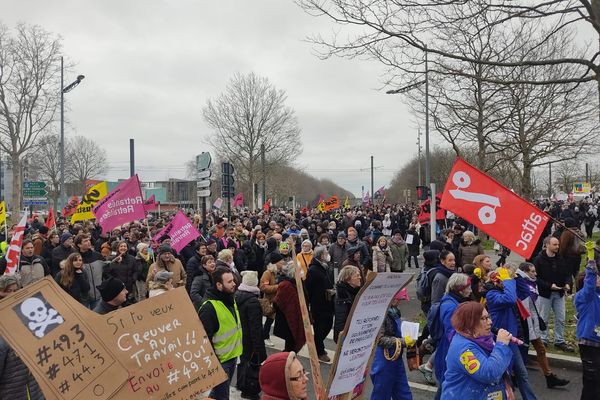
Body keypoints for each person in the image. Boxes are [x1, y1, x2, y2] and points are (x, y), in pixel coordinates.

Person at [441, 302, 514, 400]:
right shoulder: (462, 349)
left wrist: (507, 388)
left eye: (488, 317)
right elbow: (489, 374)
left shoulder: (484, 339)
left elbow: (499, 367)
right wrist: (501, 345)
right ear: (469, 322)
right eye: (483, 319)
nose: (490, 322)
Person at [485, 266, 537, 400]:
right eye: (503, 280)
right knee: (503, 376)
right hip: (501, 341)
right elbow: (510, 299)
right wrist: (508, 280)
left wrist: (516, 276)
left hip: (512, 339)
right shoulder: (492, 294)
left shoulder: (508, 290)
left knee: (522, 374)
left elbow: (525, 292)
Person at [516, 262, 569, 388]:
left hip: (532, 324)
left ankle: (549, 377)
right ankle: (517, 377)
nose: (535, 274)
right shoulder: (519, 282)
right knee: (522, 353)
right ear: (524, 271)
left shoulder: (532, 282)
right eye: (532, 271)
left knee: (541, 349)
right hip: (523, 325)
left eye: (535, 271)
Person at [198, 266, 242, 400]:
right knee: (223, 396)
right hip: (221, 362)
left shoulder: (230, 298)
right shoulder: (209, 308)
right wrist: (214, 364)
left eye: (233, 280)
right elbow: (204, 339)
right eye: (229, 282)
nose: (234, 283)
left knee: (218, 393)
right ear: (218, 285)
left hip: (232, 356)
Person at [0, 275, 44, 400]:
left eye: (16, 290)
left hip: (37, 391)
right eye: (7, 291)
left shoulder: (31, 320)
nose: (13, 295)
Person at [433, 273, 472, 398]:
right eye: (469, 287)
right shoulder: (450, 306)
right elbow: (452, 333)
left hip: (450, 349)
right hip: (448, 351)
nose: (471, 290)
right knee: (447, 385)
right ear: (460, 289)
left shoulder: (455, 301)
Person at [370, 289, 414, 400]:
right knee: (381, 394)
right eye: (400, 299)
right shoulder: (379, 313)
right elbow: (379, 339)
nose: (400, 302)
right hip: (383, 360)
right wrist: (402, 341)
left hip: (396, 357)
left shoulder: (394, 311)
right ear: (393, 299)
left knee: (403, 392)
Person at [533, 236, 574, 351]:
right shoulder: (538, 260)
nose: (557, 247)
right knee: (544, 318)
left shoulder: (561, 259)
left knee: (561, 318)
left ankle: (559, 340)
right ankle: (543, 339)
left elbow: (567, 274)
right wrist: (549, 286)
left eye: (558, 244)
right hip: (545, 294)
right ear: (547, 245)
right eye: (555, 244)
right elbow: (536, 278)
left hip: (559, 293)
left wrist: (567, 284)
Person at [235, 270, 267, 399]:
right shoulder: (253, 301)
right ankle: (249, 390)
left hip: (240, 336)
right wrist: (258, 348)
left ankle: (242, 385)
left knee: (243, 363)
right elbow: (256, 328)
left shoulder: (237, 295)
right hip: (250, 339)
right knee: (251, 365)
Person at [574, 258, 600, 400]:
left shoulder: (598, 295)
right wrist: (591, 267)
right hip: (589, 343)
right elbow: (589, 287)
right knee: (592, 381)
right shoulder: (584, 296)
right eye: (597, 278)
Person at [306, 245, 335, 362]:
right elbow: (308, 288)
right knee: (320, 328)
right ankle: (320, 351)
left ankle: (316, 344)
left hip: (328, 302)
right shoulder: (313, 269)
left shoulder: (324, 266)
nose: (327, 254)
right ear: (321, 255)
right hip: (318, 304)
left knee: (328, 325)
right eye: (325, 252)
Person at [273, 262, 306, 353]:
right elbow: (277, 302)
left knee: (292, 346)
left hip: (296, 318)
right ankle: (287, 363)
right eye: (300, 270)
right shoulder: (286, 285)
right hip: (287, 321)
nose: (302, 272)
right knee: (290, 345)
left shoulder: (297, 282)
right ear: (294, 271)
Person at [260, 252, 285, 346]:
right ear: (275, 263)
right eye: (281, 261)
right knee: (269, 320)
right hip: (271, 301)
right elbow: (263, 287)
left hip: (280, 300)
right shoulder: (268, 273)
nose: (283, 263)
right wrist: (278, 287)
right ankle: (265, 337)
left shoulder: (282, 272)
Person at [77, 233, 106, 310]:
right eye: (85, 241)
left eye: (89, 240)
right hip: (83, 297)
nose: (89, 242)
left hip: (98, 294)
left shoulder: (97, 255)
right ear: (79, 245)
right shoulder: (76, 258)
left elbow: (106, 270)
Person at [334, 265, 362, 343]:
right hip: (347, 336)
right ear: (348, 279)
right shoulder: (342, 295)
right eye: (357, 276)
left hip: (355, 332)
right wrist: (341, 339)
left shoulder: (356, 291)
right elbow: (341, 318)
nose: (360, 277)